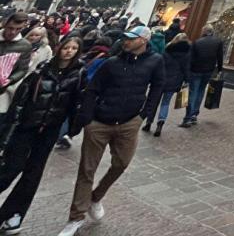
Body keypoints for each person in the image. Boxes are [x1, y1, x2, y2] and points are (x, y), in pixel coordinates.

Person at [58, 24, 164, 236]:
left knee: (121, 163)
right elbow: (93, 89)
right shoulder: (112, 62)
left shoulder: (155, 61)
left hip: (129, 122)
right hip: (99, 122)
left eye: (131, 38)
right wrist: (88, 119)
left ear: (143, 40)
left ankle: (96, 197)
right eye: (125, 38)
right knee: (87, 169)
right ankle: (76, 217)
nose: (126, 41)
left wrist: (143, 116)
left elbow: (157, 87)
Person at [0, 35, 83, 234]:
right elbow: (20, 103)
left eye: (74, 48)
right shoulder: (42, 70)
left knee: (32, 175)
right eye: (67, 47)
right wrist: (8, 133)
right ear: (60, 47)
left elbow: (76, 103)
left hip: (49, 131)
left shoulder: (79, 74)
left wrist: (73, 127)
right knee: (10, 168)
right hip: (27, 127)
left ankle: (13, 214)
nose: (69, 51)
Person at [144, 33, 190, 137]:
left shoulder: (168, 49)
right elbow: (186, 69)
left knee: (154, 101)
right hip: (175, 81)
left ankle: (148, 122)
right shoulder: (187, 53)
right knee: (165, 103)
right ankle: (160, 123)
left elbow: (160, 64)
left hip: (161, 79)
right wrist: (187, 80)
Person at [180, 25, 224, 127]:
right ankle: (194, 114)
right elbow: (220, 57)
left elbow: (191, 59)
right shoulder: (218, 42)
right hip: (208, 71)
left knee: (193, 92)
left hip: (196, 70)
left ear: (203, 31)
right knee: (201, 91)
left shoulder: (197, 42)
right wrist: (220, 70)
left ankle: (188, 117)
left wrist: (187, 72)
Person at [0, 13, 32, 115]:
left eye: (18, 29)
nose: (13, 32)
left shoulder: (25, 46)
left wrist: (11, 79)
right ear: (5, 24)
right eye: (10, 28)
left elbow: (23, 69)